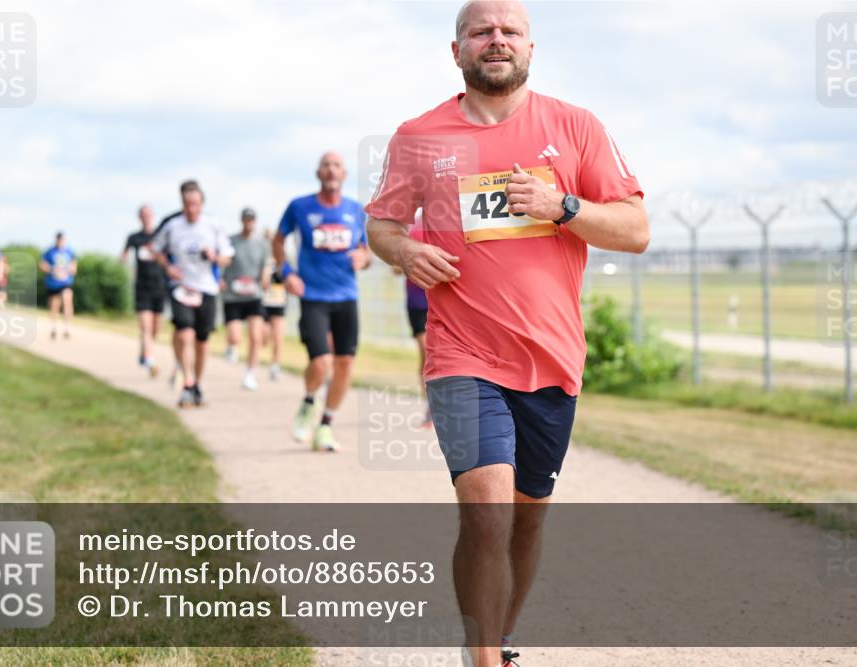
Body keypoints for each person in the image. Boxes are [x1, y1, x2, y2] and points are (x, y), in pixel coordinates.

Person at [364, 2, 649, 665]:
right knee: (486, 511)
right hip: (462, 353)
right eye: (480, 31)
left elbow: (636, 230)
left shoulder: (576, 127)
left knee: (526, 517)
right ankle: (485, 656)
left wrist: (563, 206)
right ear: (456, 49)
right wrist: (403, 252)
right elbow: (380, 223)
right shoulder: (419, 136)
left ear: (529, 47)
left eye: (509, 31)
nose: (496, 40)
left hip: (551, 355)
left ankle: (496, 637)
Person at [273, 152, 372, 452]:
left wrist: (364, 258)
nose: (331, 170)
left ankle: (326, 425)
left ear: (344, 175)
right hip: (313, 296)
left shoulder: (356, 211)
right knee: (320, 362)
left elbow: (366, 252)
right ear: (318, 173)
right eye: (326, 165)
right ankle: (308, 402)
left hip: (346, 297)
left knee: (344, 364)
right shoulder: (300, 207)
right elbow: (278, 240)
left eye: (337, 165)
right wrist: (286, 272)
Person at [151, 182, 234, 408]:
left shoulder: (213, 225)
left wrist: (214, 256)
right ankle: (187, 382)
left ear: (202, 204)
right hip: (182, 287)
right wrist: (168, 267)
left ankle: (197, 383)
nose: (191, 209)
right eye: (187, 204)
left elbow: (227, 257)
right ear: (182, 204)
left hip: (206, 288)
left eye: (195, 204)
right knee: (184, 333)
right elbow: (155, 249)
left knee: (202, 342)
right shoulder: (172, 226)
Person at [222, 207, 271, 391]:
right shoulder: (231, 241)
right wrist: (221, 279)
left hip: (254, 295)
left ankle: (250, 374)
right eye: (246, 219)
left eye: (252, 220)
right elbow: (224, 263)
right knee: (235, 337)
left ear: (255, 221)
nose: (249, 223)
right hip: (233, 296)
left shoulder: (262, 243)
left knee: (255, 337)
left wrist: (265, 277)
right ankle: (231, 346)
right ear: (242, 221)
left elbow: (266, 264)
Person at [392, 210, 431, 427]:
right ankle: (430, 406)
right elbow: (396, 267)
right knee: (426, 353)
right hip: (417, 302)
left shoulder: (451, 222)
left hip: (443, 300)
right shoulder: (410, 227)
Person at [122, 204, 168, 376]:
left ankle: (145, 350)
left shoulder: (160, 236)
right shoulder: (134, 237)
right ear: (139, 217)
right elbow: (124, 255)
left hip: (160, 286)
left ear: (152, 216)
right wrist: (123, 259)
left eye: (149, 214)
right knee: (145, 327)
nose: (146, 217)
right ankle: (150, 359)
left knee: (155, 328)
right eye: (143, 214)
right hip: (142, 287)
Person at [40, 232, 78, 340]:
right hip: (53, 283)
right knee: (54, 305)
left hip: (66, 282)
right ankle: (53, 328)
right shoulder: (49, 251)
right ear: (56, 240)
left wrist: (69, 270)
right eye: (59, 240)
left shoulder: (70, 251)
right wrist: (52, 270)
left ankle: (67, 328)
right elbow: (42, 265)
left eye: (62, 240)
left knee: (67, 299)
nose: (60, 242)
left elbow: (74, 268)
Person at [260, 242, 287, 381]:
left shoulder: (284, 263)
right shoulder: (264, 262)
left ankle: (275, 366)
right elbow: (262, 282)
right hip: (265, 304)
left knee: (278, 338)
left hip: (279, 304)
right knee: (263, 338)